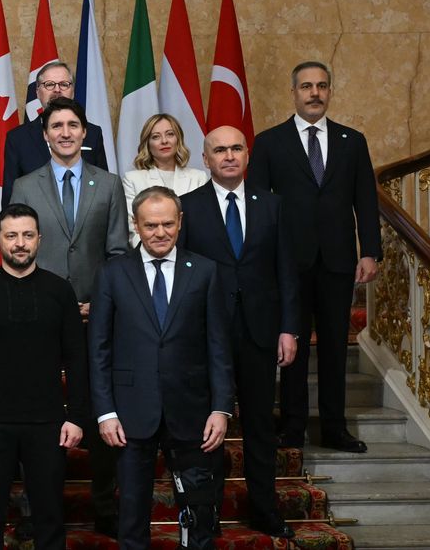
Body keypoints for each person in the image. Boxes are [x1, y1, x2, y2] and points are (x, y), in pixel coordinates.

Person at [89, 186, 234, 550]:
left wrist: (221, 408)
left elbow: (218, 345)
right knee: (133, 513)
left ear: (180, 222)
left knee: (199, 512)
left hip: (192, 411)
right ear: (135, 225)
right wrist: (105, 412)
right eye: (151, 225)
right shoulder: (112, 273)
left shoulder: (204, 271)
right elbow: (99, 348)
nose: (160, 233)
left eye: (168, 224)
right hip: (130, 411)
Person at [247, 61, 382, 453]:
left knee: (336, 347)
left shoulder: (351, 141)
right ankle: (292, 426)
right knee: (291, 346)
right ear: (294, 92)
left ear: (329, 91)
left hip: (339, 262)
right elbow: (258, 204)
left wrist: (370, 250)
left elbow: (365, 200)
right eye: (307, 86)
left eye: (322, 86)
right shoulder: (270, 142)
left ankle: (334, 428)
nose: (314, 93)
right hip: (288, 264)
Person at [9, 96, 127, 537]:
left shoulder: (109, 184)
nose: (64, 132)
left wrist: (101, 301)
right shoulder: (24, 185)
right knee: (36, 415)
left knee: (97, 412)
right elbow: (19, 247)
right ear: (45, 134)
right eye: (56, 125)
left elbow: (117, 251)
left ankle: (104, 505)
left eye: (72, 125)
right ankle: (34, 509)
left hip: (97, 315)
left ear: (84, 133)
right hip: (39, 313)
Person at [179, 126, 298, 539]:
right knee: (206, 428)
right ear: (205, 157)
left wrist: (289, 329)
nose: (228, 156)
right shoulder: (187, 208)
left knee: (261, 426)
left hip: (260, 334)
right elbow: (183, 276)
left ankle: (265, 508)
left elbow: (287, 271)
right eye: (219, 150)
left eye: (235, 149)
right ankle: (204, 510)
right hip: (205, 336)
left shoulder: (272, 206)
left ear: (247, 155)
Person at [0, 203, 89, 550]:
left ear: (40, 239)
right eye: (12, 236)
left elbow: (77, 358)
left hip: (48, 422)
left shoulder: (60, 292)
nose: (20, 243)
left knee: (50, 515)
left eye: (28, 235)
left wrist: (77, 417)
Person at [2, 61, 109, 208]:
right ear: (37, 91)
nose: (57, 90)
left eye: (64, 84)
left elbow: (104, 189)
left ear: (72, 90)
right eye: (50, 84)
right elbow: (11, 199)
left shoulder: (92, 133)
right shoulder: (18, 138)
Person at [121, 113, 208, 245]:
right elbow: (133, 228)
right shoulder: (133, 179)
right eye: (156, 137)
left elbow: (203, 224)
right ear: (147, 143)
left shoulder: (199, 177)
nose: (164, 141)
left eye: (170, 134)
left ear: (178, 139)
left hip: (193, 254)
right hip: (150, 254)